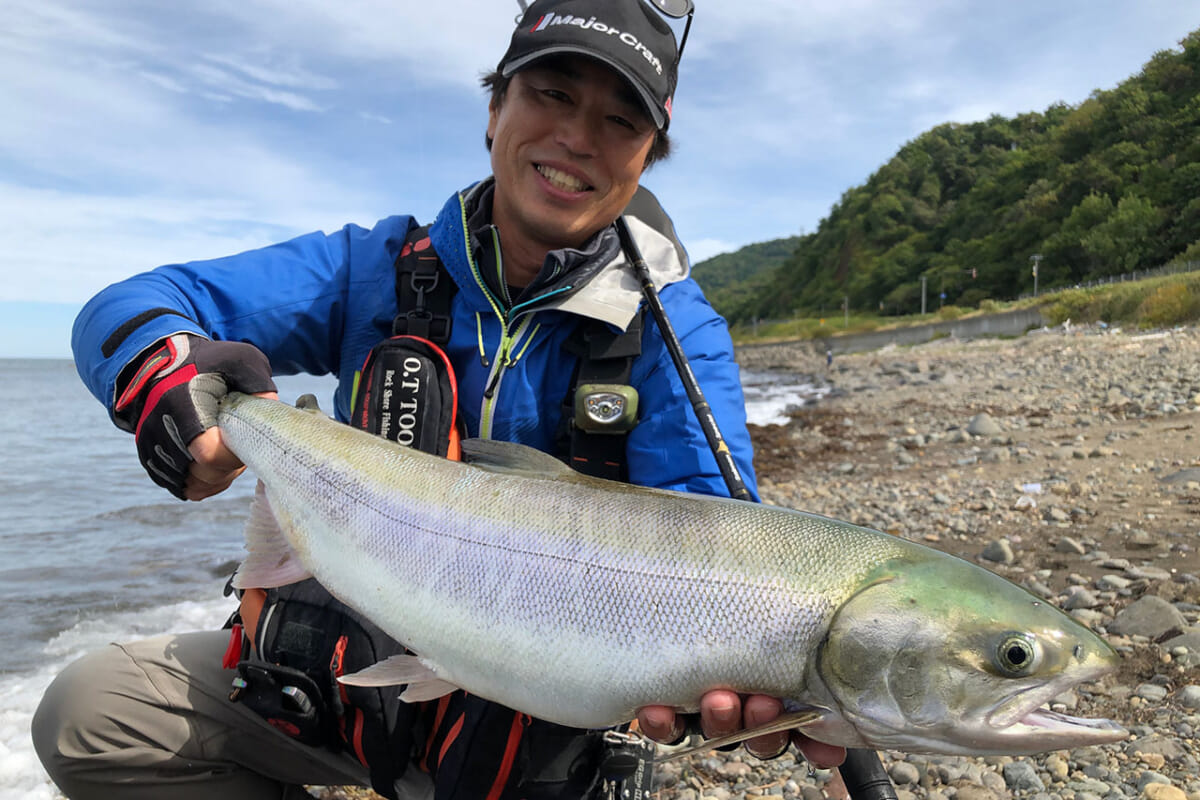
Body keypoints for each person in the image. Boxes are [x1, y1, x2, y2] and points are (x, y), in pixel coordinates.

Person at [33, 0, 846, 797]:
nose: (576, 137)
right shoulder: (373, 267)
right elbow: (133, 304)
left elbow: (713, 542)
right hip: (333, 688)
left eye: (619, 122)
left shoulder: (677, 333)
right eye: (552, 93)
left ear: (645, 157)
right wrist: (160, 374)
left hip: (524, 751)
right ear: (495, 110)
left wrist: (744, 668)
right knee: (90, 715)